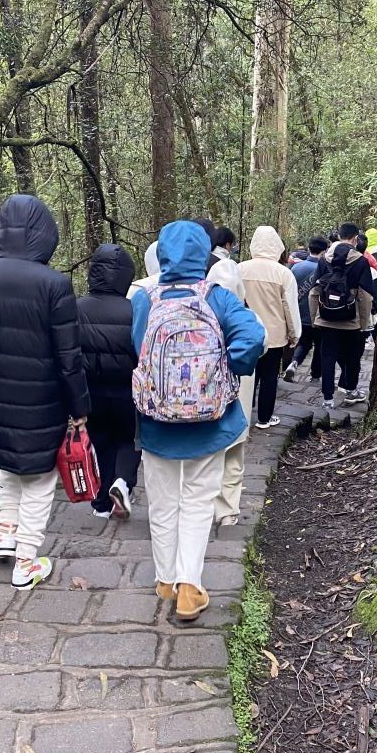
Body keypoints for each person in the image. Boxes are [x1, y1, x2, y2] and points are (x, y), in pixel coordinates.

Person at [0, 194, 90, 589]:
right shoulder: (54, 284)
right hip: (42, 398)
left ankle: (5, 534)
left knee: (10, 462)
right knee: (40, 477)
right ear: (44, 232)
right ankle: (26, 561)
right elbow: (69, 357)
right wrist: (79, 406)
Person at [132, 220, 264, 622]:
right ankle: (189, 587)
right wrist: (225, 369)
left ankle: (165, 579)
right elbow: (252, 336)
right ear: (203, 254)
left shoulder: (145, 299)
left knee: (162, 501)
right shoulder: (216, 297)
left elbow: (135, 349)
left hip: (157, 423)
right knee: (197, 502)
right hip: (210, 423)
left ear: (162, 255)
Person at [78, 243, 140, 520]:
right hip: (128, 389)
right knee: (129, 438)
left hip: (91, 390)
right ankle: (122, 482)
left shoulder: (75, 308)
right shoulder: (135, 309)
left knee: (100, 442)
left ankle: (101, 503)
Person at [206, 251, 254, 527]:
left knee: (205, 458)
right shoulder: (247, 318)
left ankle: (204, 507)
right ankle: (227, 512)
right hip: (238, 404)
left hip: (206, 404)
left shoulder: (200, 316)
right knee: (234, 457)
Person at [238, 226, 301, 429]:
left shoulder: (240, 269)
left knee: (246, 376)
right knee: (270, 376)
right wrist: (294, 334)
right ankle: (264, 418)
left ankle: (243, 415)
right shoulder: (283, 273)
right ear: (277, 246)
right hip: (274, 335)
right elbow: (290, 307)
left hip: (245, 332)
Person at [313, 221, 375, 413]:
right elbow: (365, 296)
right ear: (356, 239)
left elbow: (314, 291)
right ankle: (351, 390)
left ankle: (327, 399)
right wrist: (363, 323)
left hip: (326, 317)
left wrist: (316, 317)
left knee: (327, 357)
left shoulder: (324, 260)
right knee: (352, 357)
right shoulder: (361, 261)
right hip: (350, 319)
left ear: (339, 236)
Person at [283, 236, 327, 382]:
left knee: (303, 343)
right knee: (320, 346)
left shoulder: (296, 268)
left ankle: (294, 363)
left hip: (299, 314)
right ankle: (315, 375)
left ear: (309, 249)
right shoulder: (324, 268)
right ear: (324, 251)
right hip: (318, 314)